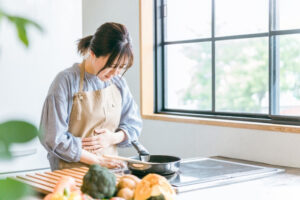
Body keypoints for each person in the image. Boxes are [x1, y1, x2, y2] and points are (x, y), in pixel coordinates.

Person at [39, 22, 142, 171]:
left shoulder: (119, 83)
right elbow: (53, 138)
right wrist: (96, 161)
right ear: (93, 54)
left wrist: (112, 138)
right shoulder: (65, 81)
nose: (116, 73)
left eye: (121, 67)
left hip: (110, 172)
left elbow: (133, 125)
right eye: (112, 66)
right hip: (70, 172)